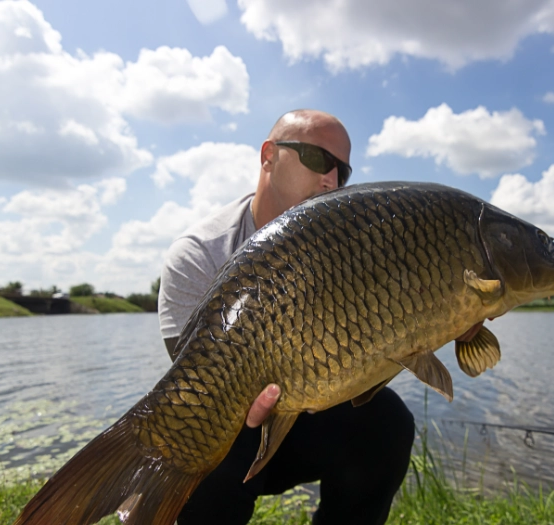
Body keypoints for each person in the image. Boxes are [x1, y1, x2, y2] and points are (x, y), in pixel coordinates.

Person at [157, 109, 416, 525]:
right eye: (318, 159)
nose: (331, 180)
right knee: (209, 439)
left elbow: (365, 355)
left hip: (312, 417)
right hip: (229, 424)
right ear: (268, 156)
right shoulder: (200, 253)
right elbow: (197, 380)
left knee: (388, 421)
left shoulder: (349, 249)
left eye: (342, 172)